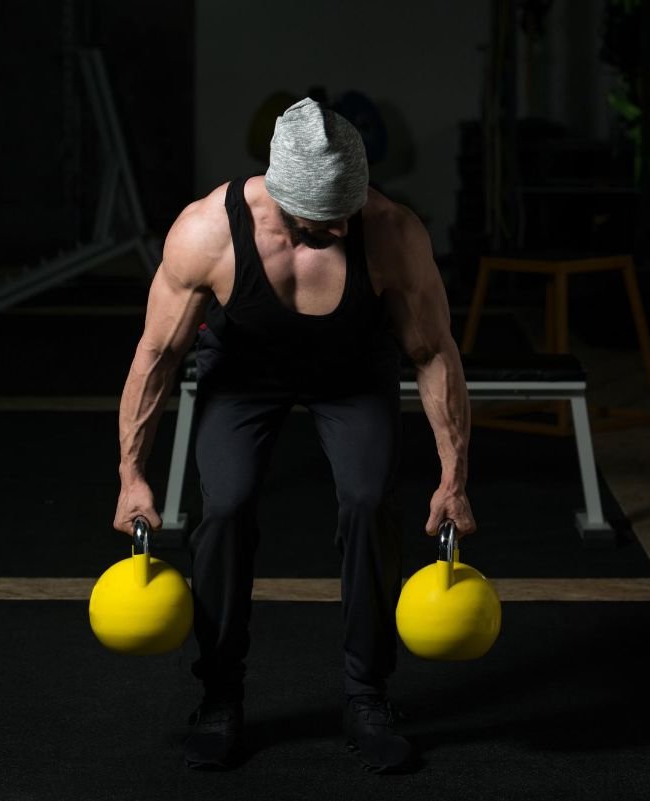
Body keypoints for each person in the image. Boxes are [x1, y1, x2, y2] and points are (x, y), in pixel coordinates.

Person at [113, 97, 475, 773]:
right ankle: (219, 695)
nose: (341, 228)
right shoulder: (207, 233)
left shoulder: (391, 231)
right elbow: (155, 356)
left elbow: (432, 353)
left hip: (353, 367)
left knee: (369, 502)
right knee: (224, 505)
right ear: (280, 196)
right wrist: (132, 472)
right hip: (245, 373)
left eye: (349, 212)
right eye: (322, 218)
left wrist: (454, 478)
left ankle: (367, 694)